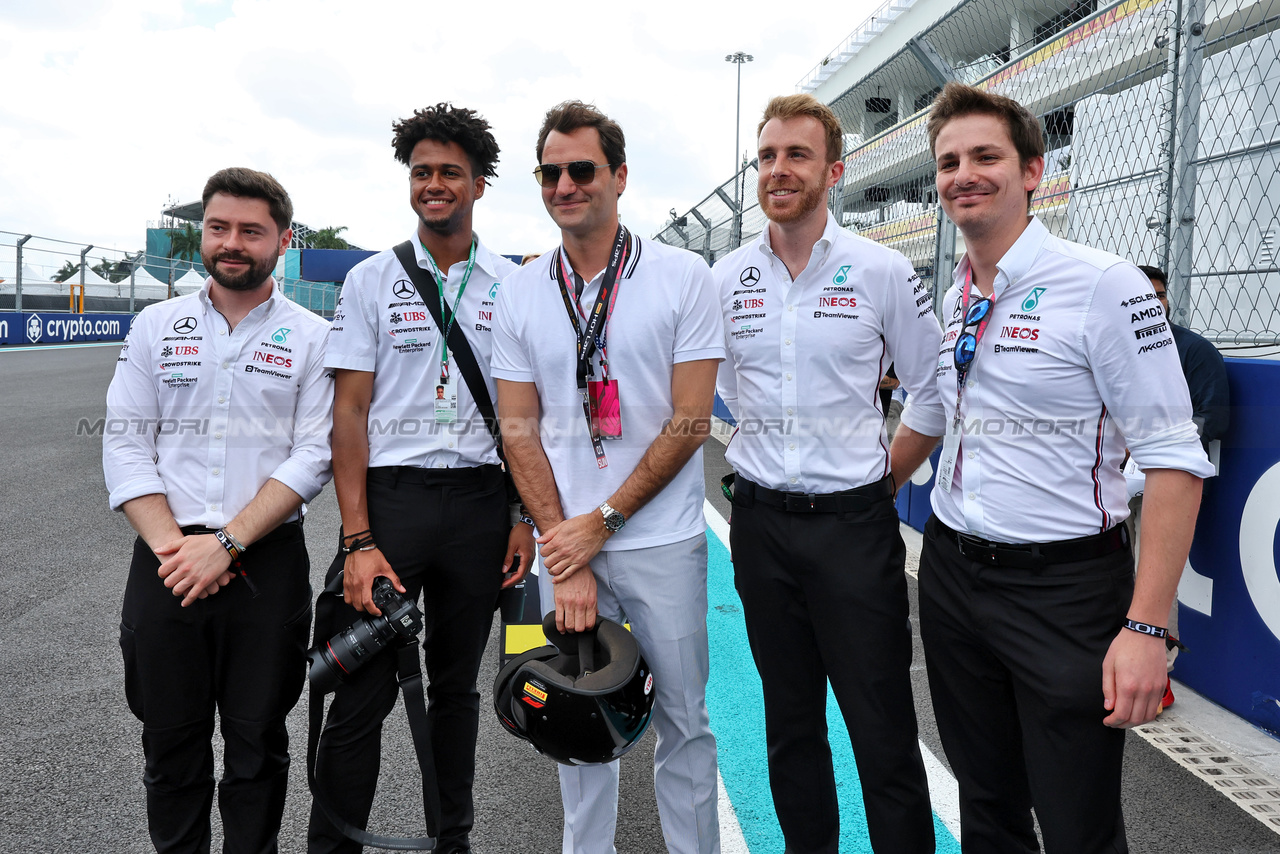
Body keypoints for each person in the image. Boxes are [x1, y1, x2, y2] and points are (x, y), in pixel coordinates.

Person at [904, 81, 1215, 853]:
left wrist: (1147, 625)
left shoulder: (1105, 284)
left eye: (985, 157)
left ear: (1034, 171)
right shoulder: (956, 297)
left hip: (1064, 590)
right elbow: (941, 416)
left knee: (1077, 821)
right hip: (951, 574)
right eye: (948, 162)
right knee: (987, 804)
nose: (963, 175)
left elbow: (1175, 461)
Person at [492, 100, 723, 854]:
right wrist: (571, 547)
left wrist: (606, 522)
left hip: (660, 541)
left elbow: (690, 420)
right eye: (550, 172)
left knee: (685, 722)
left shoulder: (683, 277)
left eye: (581, 169)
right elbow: (518, 428)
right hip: (567, 547)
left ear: (619, 176)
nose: (565, 184)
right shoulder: (522, 290)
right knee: (572, 716)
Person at [713, 93, 942, 854]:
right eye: (767, 156)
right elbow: (729, 393)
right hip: (762, 525)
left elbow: (931, 392)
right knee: (790, 725)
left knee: (881, 731)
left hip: (853, 529)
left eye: (796, 155)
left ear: (833, 171)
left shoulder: (879, 270)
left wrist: (881, 482)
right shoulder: (728, 275)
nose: (778, 170)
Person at [309, 103, 535, 854]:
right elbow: (349, 414)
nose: (434, 185)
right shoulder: (372, 280)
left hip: (478, 507)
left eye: (450, 173)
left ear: (478, 185)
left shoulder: (513, 285)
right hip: (391, 508)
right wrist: (358, 536)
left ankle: (453, 841)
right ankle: (332, 846)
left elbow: (519, 417)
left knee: (457, 694)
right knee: (361, 694)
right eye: (422, 173)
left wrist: (519, 516)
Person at [105, 167, 334, 853]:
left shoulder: (315, 337)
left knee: (257, 744)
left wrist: (227, 544)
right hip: (166, 561)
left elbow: (313, 454)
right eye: (219, 227)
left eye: (251, 231)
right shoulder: (155, 326)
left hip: (264, 566)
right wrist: (178, 550)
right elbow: (124, 445)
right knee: (169, 745)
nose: (232, 242)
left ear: (283, 241)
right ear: (203, 233)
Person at [1128, 264, 1231, 707]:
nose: (1154, 303)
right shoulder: (1112, 346)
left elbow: (1215, 418)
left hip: (1163, 481)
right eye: (1143, 296)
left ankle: (1159, 674)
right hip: (1106, 476)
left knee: (1149, 575)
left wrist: (1152, 451)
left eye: (1160, 295)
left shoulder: (1194, 350)